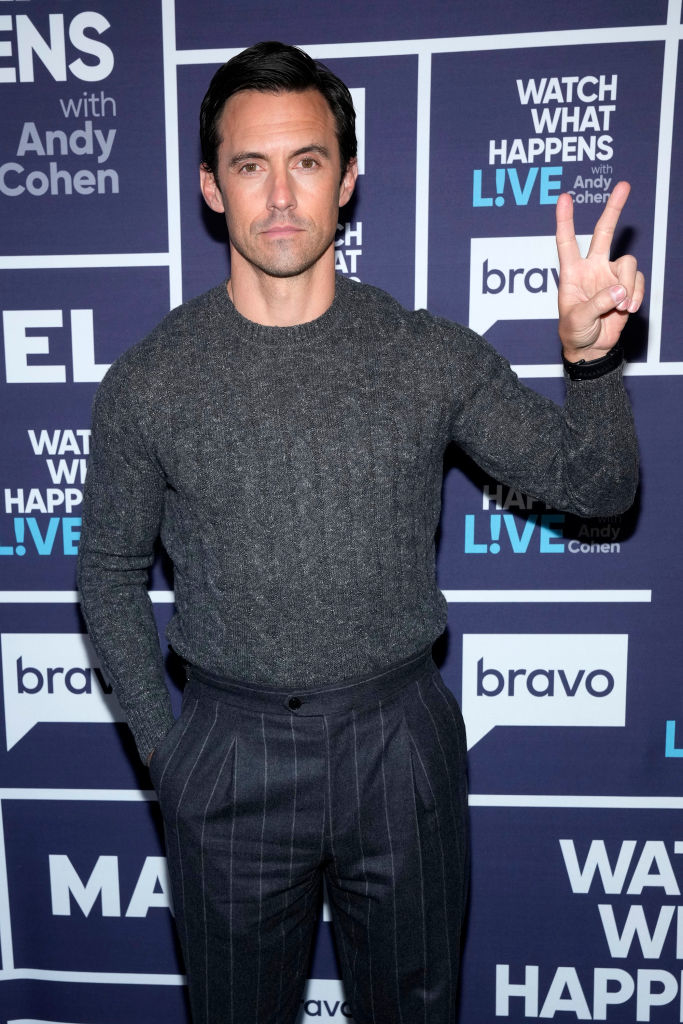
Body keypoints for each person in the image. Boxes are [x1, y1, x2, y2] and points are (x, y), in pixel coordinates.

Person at [77, 40, 642, 1024]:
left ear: (347, 179)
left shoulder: (422, 355)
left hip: (399, 748)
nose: (280, 194)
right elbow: (107, 572)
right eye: (250, 166)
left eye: (306, 161)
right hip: (228, 750)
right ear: (212, 188)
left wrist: (586, 362)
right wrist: (171, 758)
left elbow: (597, 486)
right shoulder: (150, 380)